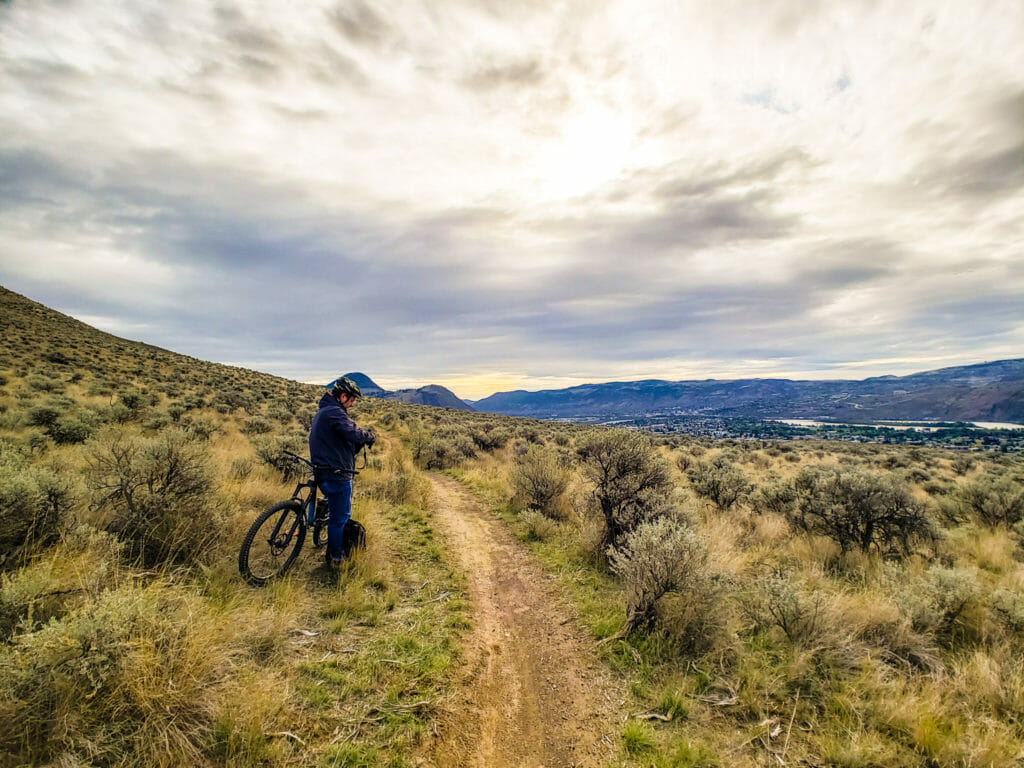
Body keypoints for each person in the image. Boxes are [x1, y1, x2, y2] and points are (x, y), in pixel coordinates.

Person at [309, 375, 375, 567]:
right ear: (343, 396)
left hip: (324, 469)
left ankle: (325, 506)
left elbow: (341, 436)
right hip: (336, 473)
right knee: (340, 519)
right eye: (352, 399)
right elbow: (351, 431)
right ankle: (336, 558)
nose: (352, 403)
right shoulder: (335, 413)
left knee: (335, 505)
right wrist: (367, 437)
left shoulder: (326, 411)